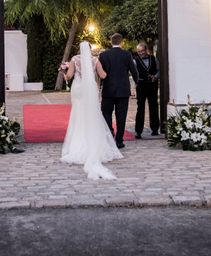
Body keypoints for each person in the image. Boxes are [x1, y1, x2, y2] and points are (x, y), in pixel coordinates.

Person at [59, 41, 122, 180]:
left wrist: (64, 71)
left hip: (79, 89)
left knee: (78, 114)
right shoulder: (95, 60)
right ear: (90, 49)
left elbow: (69, 76)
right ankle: (96, 142)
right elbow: (103, 75)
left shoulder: (75, 59)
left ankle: (77, 143)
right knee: (93, 113)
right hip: (90, 89)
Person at [98, 33, 139, 149]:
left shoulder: (104, 55)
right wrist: (137, 83)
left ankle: (110, 135)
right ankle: (119, 141)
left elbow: (100, 73)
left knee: (106, 113)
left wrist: (100, 86)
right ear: (121, 42)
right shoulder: (127, 54)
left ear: (111, 42)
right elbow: (134, 70)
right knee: (121, 116)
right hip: (123, 90)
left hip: (108, 90)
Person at [132, 42, 160, 138]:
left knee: (154, 106)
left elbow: (159, 70)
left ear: (146, 50)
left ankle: (155, 129)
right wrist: (134, 86)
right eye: (139, 51)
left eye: (142, 51)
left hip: (152, 85)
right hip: (141, 86)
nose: (141, 53)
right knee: (140, 108)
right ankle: (138, 131)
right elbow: (133, 74)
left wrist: (155, 77)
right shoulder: (135, 61)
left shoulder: (154, 58)